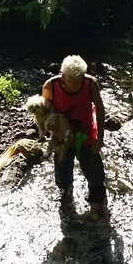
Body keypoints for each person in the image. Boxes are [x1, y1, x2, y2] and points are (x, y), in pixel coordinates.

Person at [42, 55, 109, 221]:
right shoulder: (51, 85)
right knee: (63, 170)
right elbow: (46, 112)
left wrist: (100, 138)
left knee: (95, 174)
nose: (79, 83)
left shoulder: (90, 83)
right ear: (63, 76)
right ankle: (66, 195)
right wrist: (48, 127)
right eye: (74, 80)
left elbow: (100, 111)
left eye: (81, 79)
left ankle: (97, 203)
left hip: (86, 134)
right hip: (62, 137)